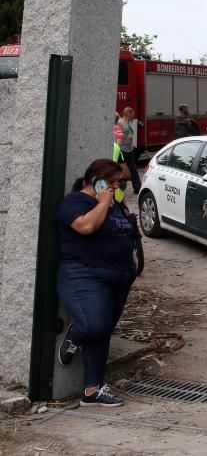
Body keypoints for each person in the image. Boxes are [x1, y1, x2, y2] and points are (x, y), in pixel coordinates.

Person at [56, 159, 141, 407]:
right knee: (95, 324)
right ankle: (77, 333)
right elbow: (86, 226)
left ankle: (93, 389)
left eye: (119, 183)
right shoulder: (75, 202)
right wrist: (103, 202)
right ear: (96, 180)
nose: (116, 187)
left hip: (119, 276)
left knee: (103, 331)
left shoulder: (113, 204)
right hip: (86, 274)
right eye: (112, 182)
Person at [117, 107, 142, 194]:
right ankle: (117, 187)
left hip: (129, 150)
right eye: (133, 114)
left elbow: (129, 135)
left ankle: (138, 188)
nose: (134, 116)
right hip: (122, 150)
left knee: (133, 169)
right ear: (129, 114)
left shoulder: (128, 122)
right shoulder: (120, 123)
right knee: (121, 170)